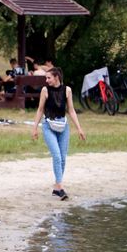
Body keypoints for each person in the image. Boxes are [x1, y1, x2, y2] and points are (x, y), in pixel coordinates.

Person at [31, 67, 86, 200]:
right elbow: (40, 110)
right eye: (46, 78)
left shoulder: (67, 90)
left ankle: (56, 187)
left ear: (56, 77)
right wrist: (34, 128)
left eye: (48, 77)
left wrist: (79, 128)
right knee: (56, 156)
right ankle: (60, 187)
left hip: (63, 126)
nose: (46, 80)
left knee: (62, 158)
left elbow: (71, 111)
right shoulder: (45, 90)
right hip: (48, 125)